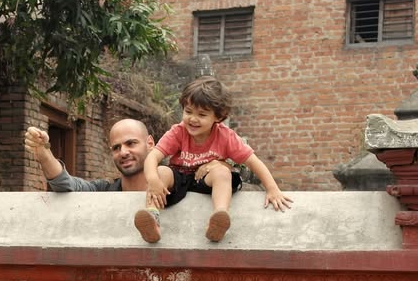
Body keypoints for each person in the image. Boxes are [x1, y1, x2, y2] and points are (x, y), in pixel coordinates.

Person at [136, 76, 293, 244]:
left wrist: (272, 189)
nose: (193, 119)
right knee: (161, 171)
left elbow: (253, 162)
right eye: (188, 112)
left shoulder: (226, 136)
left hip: (207, 180)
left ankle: (219, 218)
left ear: (218, 117)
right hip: (180, 176)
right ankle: (152, 218)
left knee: (222, 172)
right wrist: (153, 180)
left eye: (202, 114)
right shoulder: (178, 131)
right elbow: (153, 156)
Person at [25, 119, 232, 193]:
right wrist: (44, 154)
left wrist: (219, 164)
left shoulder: (177, 183)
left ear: (150, 143)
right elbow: (65, 185)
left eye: (131, 143)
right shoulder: (105, 191)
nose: (123, 152)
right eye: (116, 147)